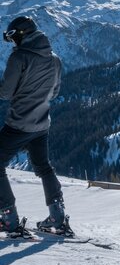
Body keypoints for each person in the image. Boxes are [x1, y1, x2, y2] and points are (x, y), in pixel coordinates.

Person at [0, 17, 66, 237]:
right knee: (44, 167)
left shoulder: (19, 57)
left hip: (19, 123)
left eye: (12, 37)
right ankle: (57, 217)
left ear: (21, 34)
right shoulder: (54, 59)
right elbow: (54, 93)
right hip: (42, 123)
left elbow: (6, 93)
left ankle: (9, 219)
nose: (12, 42)